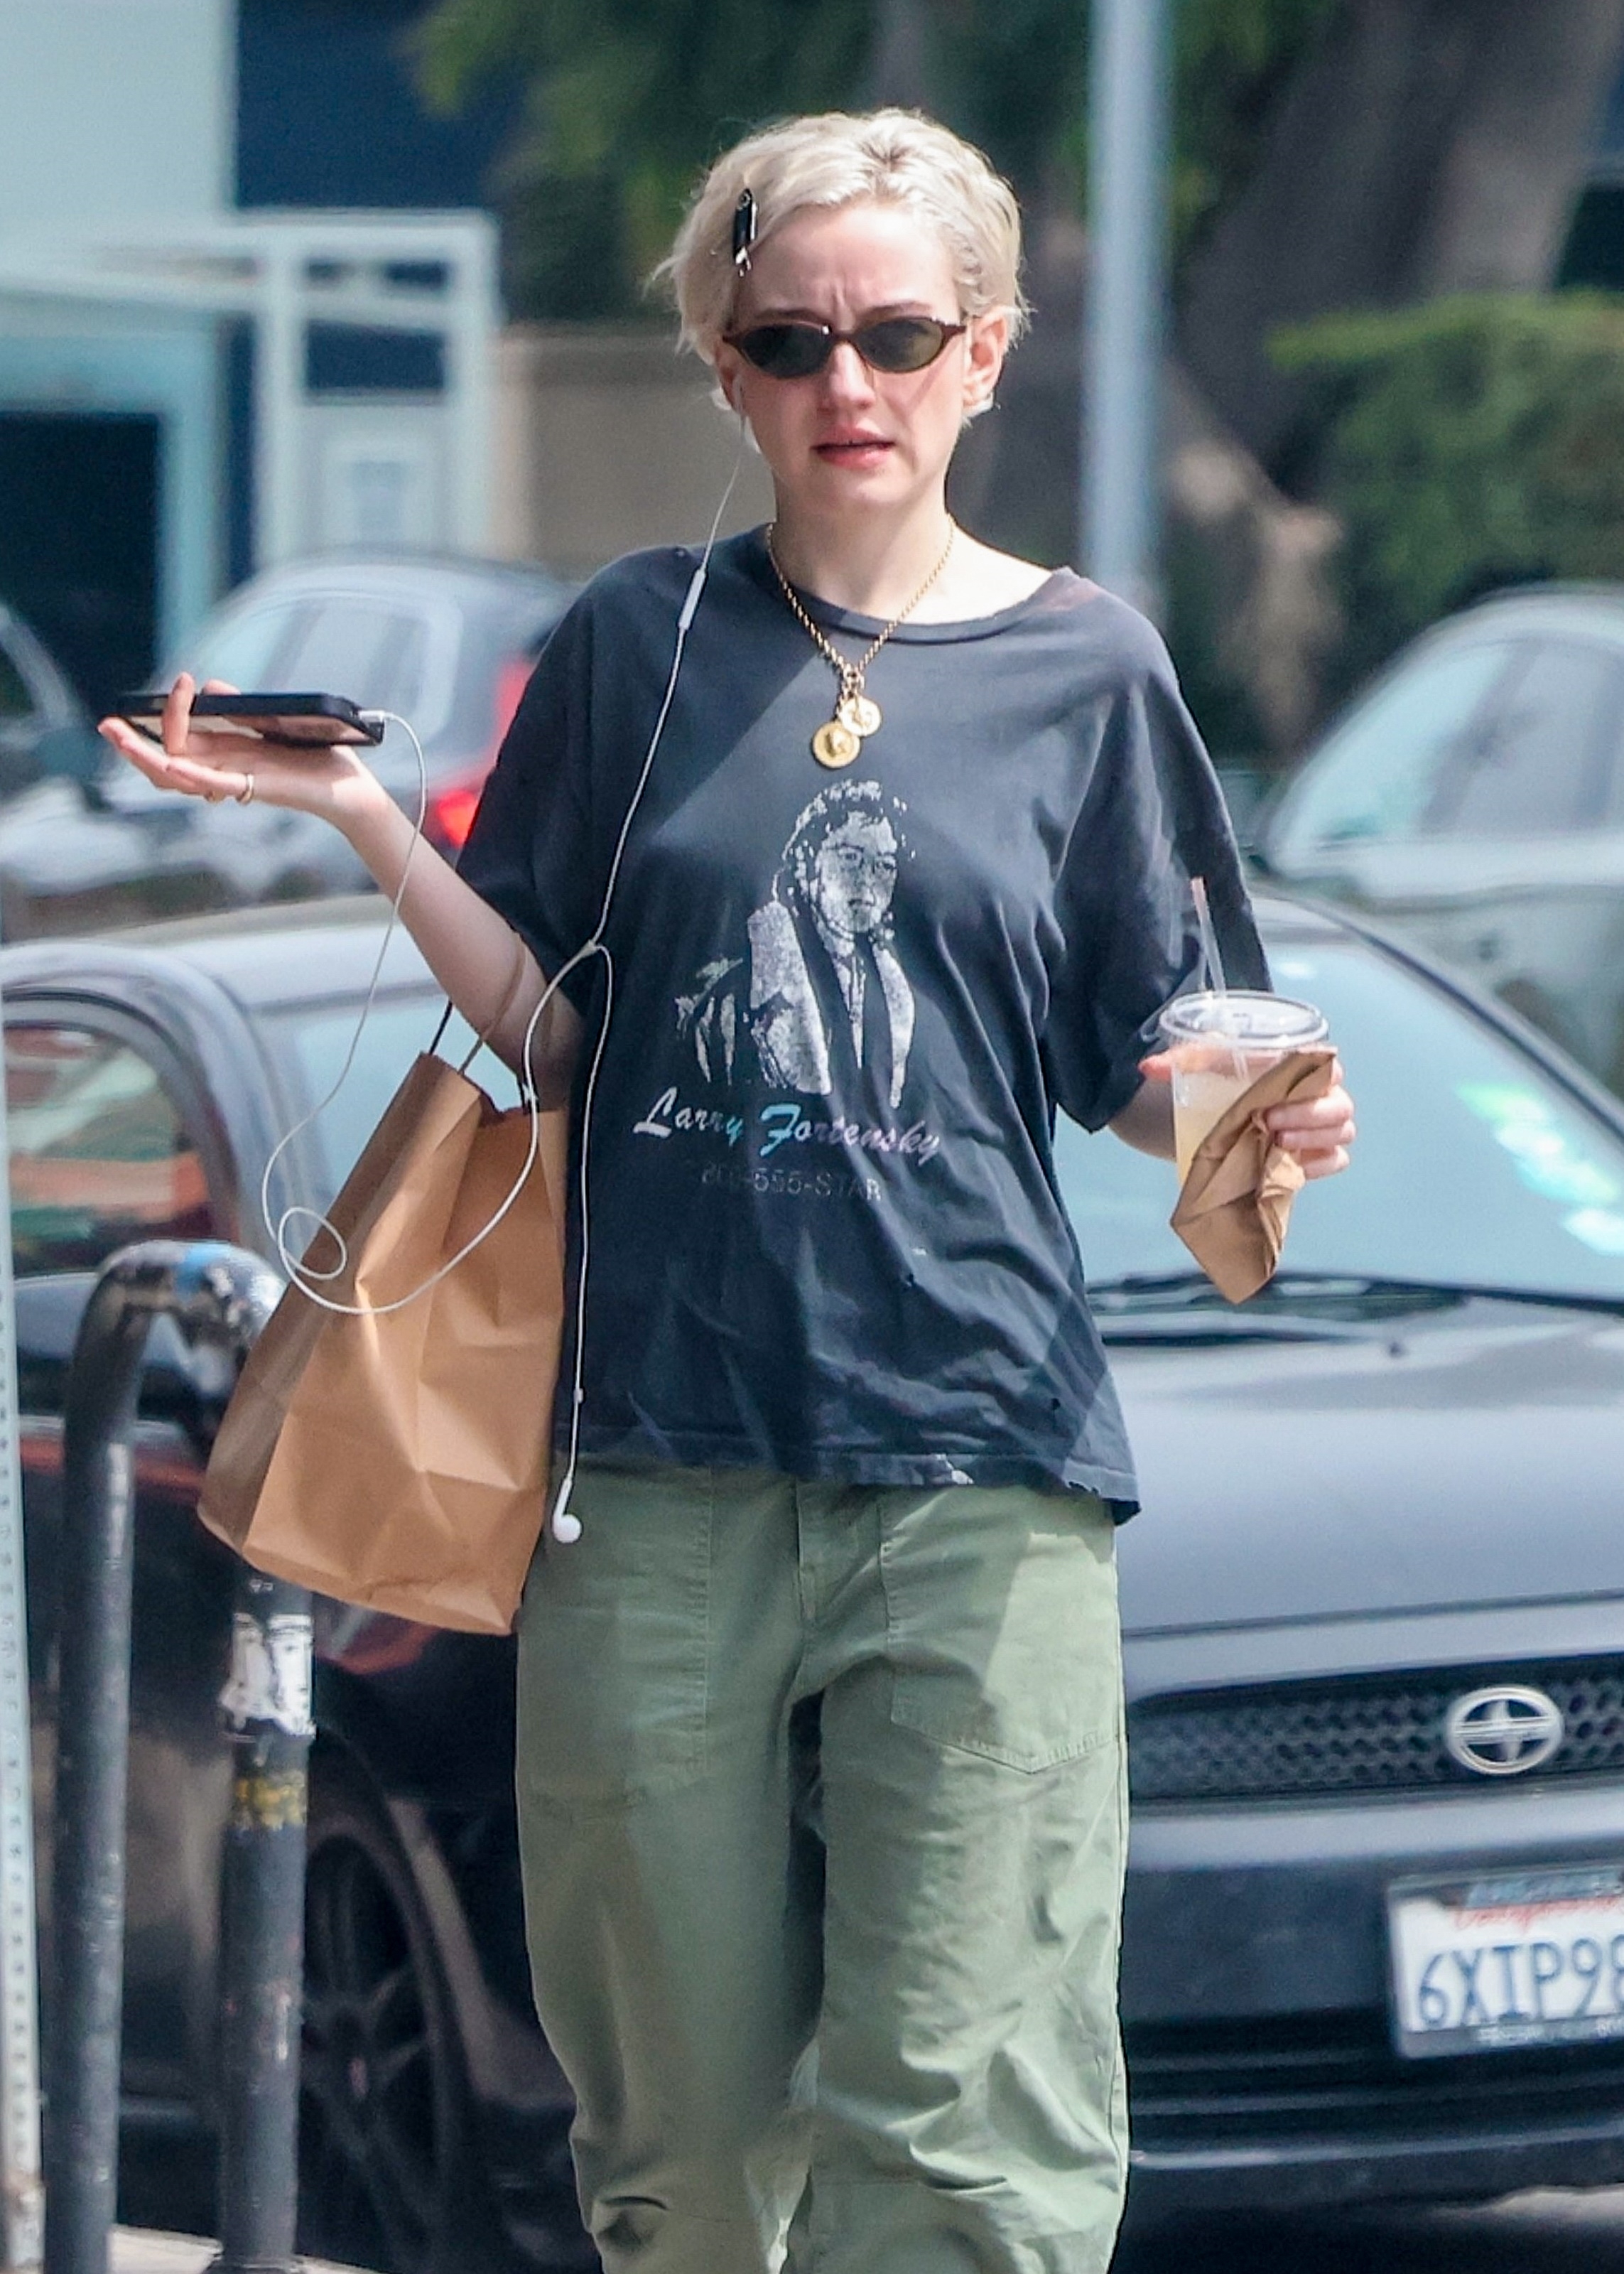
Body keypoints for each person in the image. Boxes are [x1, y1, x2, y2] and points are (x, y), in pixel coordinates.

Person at [100, 107, 1356, 2274]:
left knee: (961, 2145)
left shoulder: (1092, 673)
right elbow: (555, 1033)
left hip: (980, 1472)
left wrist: (1254, 1123)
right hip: (654, 1481)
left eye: (898, 335)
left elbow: (1142, 1062)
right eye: (790, 340)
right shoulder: (640, 642)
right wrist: (368, 820)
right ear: (725, 366)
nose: (846, 381)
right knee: (678, 2158)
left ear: (985, 352)